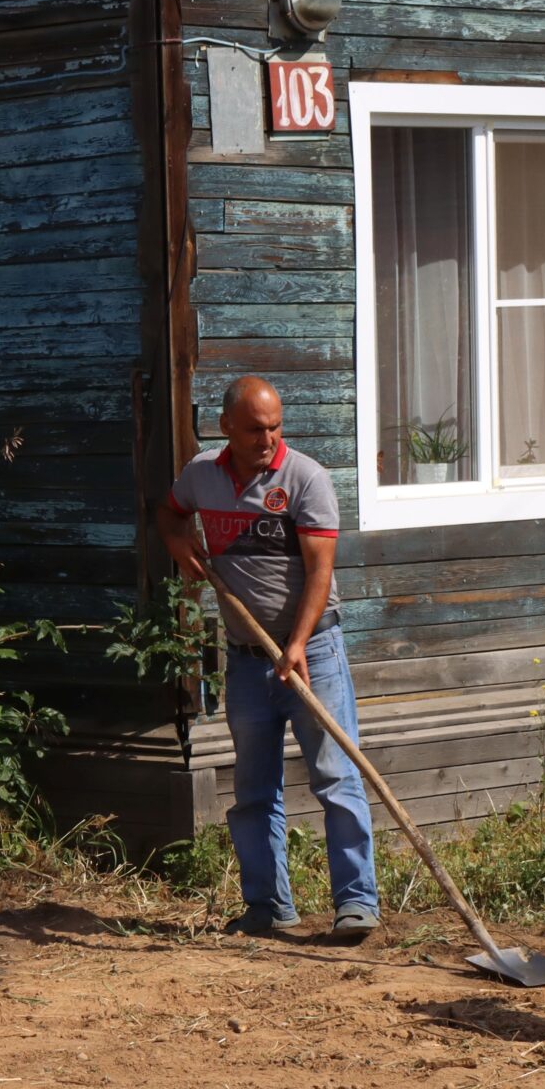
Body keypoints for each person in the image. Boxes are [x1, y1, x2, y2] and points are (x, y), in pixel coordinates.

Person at [157, 376, 381, 940]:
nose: (268, 438)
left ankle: (356, 904)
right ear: (225, 425)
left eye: (276, 426)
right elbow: (170, 512)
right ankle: (267, 907)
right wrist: (178, 540)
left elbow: (320, 571)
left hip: (315, 653)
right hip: (247, 660)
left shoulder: (305, 478)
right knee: (254, 789)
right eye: (256, 428)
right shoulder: (201, 475)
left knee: (337, 780)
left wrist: (299, 644)